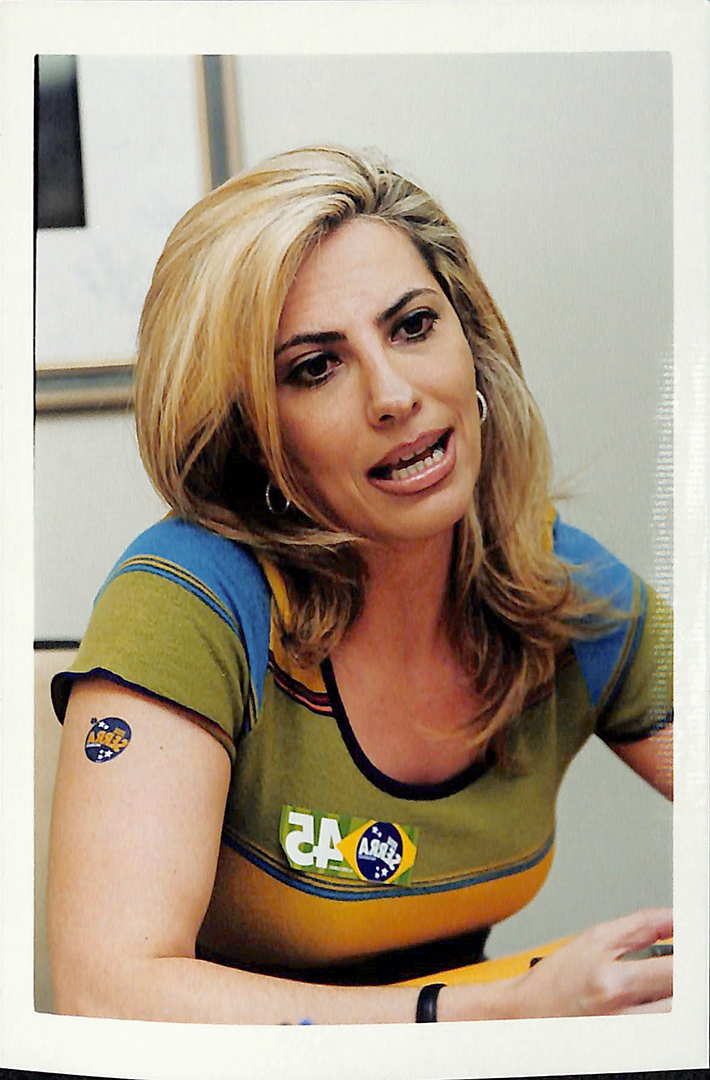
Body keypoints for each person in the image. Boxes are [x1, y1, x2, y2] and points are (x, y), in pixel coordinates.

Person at [47, 145, 673, 1024]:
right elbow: (108, 993)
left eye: (412, 326)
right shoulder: (184, 603)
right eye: (316, 367)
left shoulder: (565, 586)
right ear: (254, 436)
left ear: (472, 343)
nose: (394, 394)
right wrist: (494, 1013)